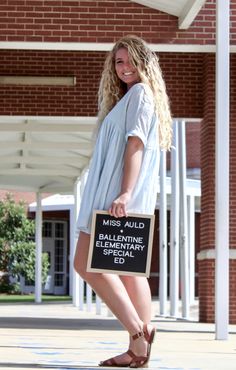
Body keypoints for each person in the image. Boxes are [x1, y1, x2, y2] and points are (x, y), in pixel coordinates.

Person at [74, 35, 172, 368]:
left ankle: (137, 333)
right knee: (130, 274)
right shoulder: (129, 98)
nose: (124, 66)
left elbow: (136, 145)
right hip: (116, 196)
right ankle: (138, 351)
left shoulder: (141, 95)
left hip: (116, 198)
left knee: (84, 264)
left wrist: (126, 192)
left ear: (144, 61)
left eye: (130, 60)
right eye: (118, 61)